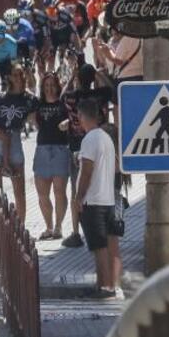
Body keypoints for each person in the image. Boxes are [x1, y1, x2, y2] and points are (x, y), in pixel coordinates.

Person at [61, 63, 115, 248]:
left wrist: (71, 78)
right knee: (103, 185)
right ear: (92, 79)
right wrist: (99, 75)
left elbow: (62, 96)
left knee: (76, 189)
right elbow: (113, 90)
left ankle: (76, 233)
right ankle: (106, 227)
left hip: (77, 146)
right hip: (100, 145)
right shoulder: (99, 95)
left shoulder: (72, 97)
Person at [76, 97, 121, 299]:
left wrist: (78, 197)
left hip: (93, 201)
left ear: (81, 116)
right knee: (108, 245)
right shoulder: (106, 138)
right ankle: (109, 284)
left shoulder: (90, 139)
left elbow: (86, 171)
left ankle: (103, 287)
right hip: (108, 199)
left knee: (99, 247)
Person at [0, 65, 36, 224]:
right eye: (15, 74)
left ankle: (20, 228)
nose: (18, 77)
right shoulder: (0, 98)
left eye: (21, 74)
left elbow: (34, 119)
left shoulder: (30, 99)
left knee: (19, 190)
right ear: (9, 78)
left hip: (14, 140)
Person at [32, 72, 71, 240]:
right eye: (46, 86)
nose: (49, 89)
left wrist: (67, 123)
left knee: (59, 191)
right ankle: (48, 226)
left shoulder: (64, 104)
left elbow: (74, 117)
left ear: (57, 86)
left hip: (60, 149)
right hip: (42, 150)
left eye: (52, 85)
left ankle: (58, 226)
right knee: (42, 194)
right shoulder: (38, 104)